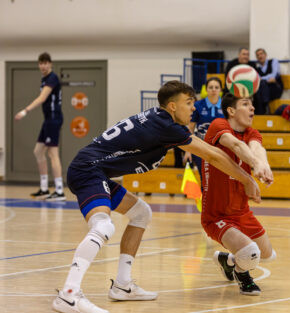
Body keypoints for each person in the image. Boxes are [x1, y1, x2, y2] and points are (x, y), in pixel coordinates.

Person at [52, 81, 261, 313]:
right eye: (189, 103)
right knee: (103, 227)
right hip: (88, 170)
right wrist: (247, 179)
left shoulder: (161, 119)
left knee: (140, 213)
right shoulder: (167, 126)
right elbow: (213, 155)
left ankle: (122, 285)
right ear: (172, 106)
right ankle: (69, 295)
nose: (194, 108)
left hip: (95, 170)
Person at [201, 93, 275, 295]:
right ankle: (242, 275)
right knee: (250, 253)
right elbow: (236, 145)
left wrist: (264, 165)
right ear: (231, 111)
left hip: (241, 211)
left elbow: (257, 148)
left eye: (252, 104)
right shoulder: (218, 125)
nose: (252, 108)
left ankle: (229, 261)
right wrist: (255, 167)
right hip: (216, 216)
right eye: (245, 104)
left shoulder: (252, 132)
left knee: (268, 254)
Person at [14, 52, 65, 201]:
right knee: (38, 151)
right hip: (48, 120)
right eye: (40, 63)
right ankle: (44, 189)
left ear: (50, 64)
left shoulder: (52, 78)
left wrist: (25, 111)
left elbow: (43, 98)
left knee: (52, 154)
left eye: (45, 63)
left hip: (54, 119)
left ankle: (60, 191)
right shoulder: (44, 79)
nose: (43, 65)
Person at [183, 77, 225, 181]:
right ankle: (205, 198)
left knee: (219, 179)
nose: (214, 90)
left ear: (220, 90)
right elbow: (190, 128)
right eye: (210, 87)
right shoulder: (198, 105)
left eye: (216, 87)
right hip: (201, 148)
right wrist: (188, 151)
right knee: (205, 179)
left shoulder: (226, 106)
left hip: (221, 149)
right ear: (206, 90)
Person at [253, 48, 284, 115]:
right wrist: (266, 79)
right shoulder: (257, 69)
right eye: (258, 55)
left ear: (265, 55)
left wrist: (262, 78)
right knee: (260, 87)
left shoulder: (273, 61)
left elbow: (274, 75)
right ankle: (265, 107)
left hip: (275, 88)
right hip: (264, 91)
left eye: (261, 54)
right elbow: (258, 80)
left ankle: (263, 109)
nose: (260, 56)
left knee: (262, 84)